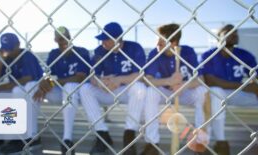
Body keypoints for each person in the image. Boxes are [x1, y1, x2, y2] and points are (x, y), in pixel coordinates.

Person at [201, 24, 258, 155]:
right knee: (215, 91)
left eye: (236, 32)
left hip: (241, 94)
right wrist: (245, 86)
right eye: (228, 32)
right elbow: (210, 81)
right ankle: (221, 143)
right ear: (218, 37)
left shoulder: (244, 54)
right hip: (221, 93)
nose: (234, 34)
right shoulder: (209, 54)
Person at [79, 22, 147, 155]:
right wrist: (100, 83)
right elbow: (92, 76)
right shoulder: (100, 51)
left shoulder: (134, 47)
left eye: (105, 39)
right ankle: (102, 134)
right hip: (108, 90)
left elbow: (141, 75)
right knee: (85, 89)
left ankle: (129, 135)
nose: (102, 42)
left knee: (139, 87)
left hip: (126, 90)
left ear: (116, 39)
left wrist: (119, 79)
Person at [143, 23, 208, 155]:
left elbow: (200, 80)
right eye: (157, 40)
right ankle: (152, 143)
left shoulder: (188, 52)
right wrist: (169, 81)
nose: (157, 44)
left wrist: (184, 85)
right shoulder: (154, 53)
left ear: (174, 42)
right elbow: (148, 80)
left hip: (184, 92)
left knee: (202, 92)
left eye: (161, 41)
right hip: (165, 92)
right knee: (150, 92)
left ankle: (200, 142)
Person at [0, 33, 43, 154]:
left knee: (18, 91)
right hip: (16, 89)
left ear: (18, 45)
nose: (9, 51)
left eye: (11, 48)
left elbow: (28, 78)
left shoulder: (26, 55)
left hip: (34, 89)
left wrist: (3, 87)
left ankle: (27, 137)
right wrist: (1, 60)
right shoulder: (7, 57)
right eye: (6, 48)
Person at [33, 26, 90, 155]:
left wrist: (52, 82)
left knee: (69, 86)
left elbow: (80, 78)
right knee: (34, 88)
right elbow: (47, 75)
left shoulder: (81, 52)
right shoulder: (54, 54)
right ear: (55, 40)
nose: (64, 41)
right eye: (60, 39)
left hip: (80, 93)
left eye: (66, 38)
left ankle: (67, 139)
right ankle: (31, 135)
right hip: (61, 92)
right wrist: (44, 85)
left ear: (70, 38)